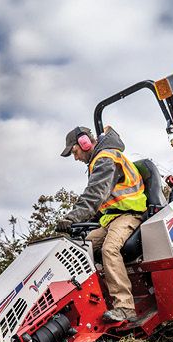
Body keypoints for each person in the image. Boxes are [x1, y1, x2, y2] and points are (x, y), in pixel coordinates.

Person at [55, 125, 147, 322]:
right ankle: (89, 304)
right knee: (79, 251)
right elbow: (100, 204)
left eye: (75, 152)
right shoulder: (99, 161)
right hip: (110, 219)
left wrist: (72, 218)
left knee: (109, 250)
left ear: (84, 143)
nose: (76, 158)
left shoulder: (106, 158)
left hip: (129, 214)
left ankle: (125, 307)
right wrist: (78, 225)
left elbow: (95, 195)